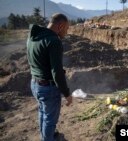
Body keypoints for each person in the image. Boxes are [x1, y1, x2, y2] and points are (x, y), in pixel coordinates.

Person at [27, 13, 72, 141]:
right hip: (48, 88)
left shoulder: (33, 36)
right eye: (67, 28)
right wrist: (66, 93)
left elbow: (39, 60)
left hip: (35, 84)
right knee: (50, 120)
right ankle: (47, 138)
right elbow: (56, 72)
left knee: (43, 113)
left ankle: (47, 136)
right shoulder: (54, 41)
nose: (67, 32)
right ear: (60, 26)